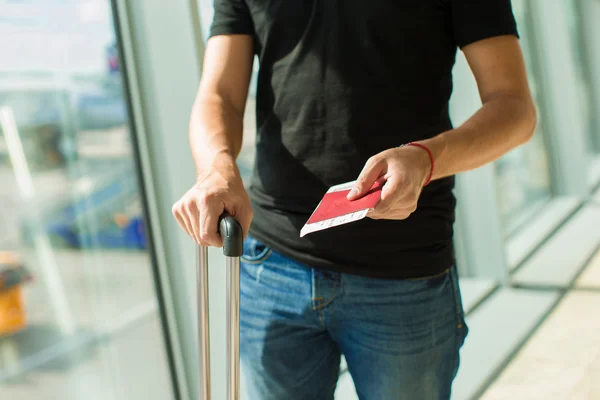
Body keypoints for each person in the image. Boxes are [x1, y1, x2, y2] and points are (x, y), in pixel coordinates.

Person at [172, 1, 536, 398]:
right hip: (271, 264)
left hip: (403, 272)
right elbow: (220, 94)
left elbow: (513, 107)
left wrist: (426, 158)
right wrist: (216, 168)